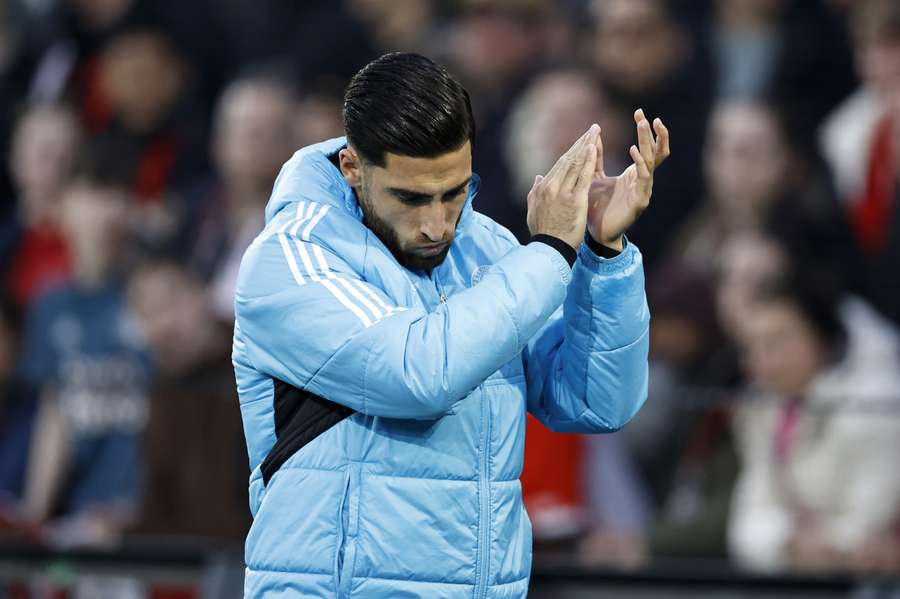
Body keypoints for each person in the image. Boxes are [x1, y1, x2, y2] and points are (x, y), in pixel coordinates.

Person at [233, 52, 669, 597]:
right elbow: (417, 374)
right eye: (410, 198)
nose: (437, 224)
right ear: (352, 168)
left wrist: (602, 256)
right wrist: (554, 250)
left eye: (455, 192)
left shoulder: (490, 250)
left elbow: (598, 401)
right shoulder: (289, 259)